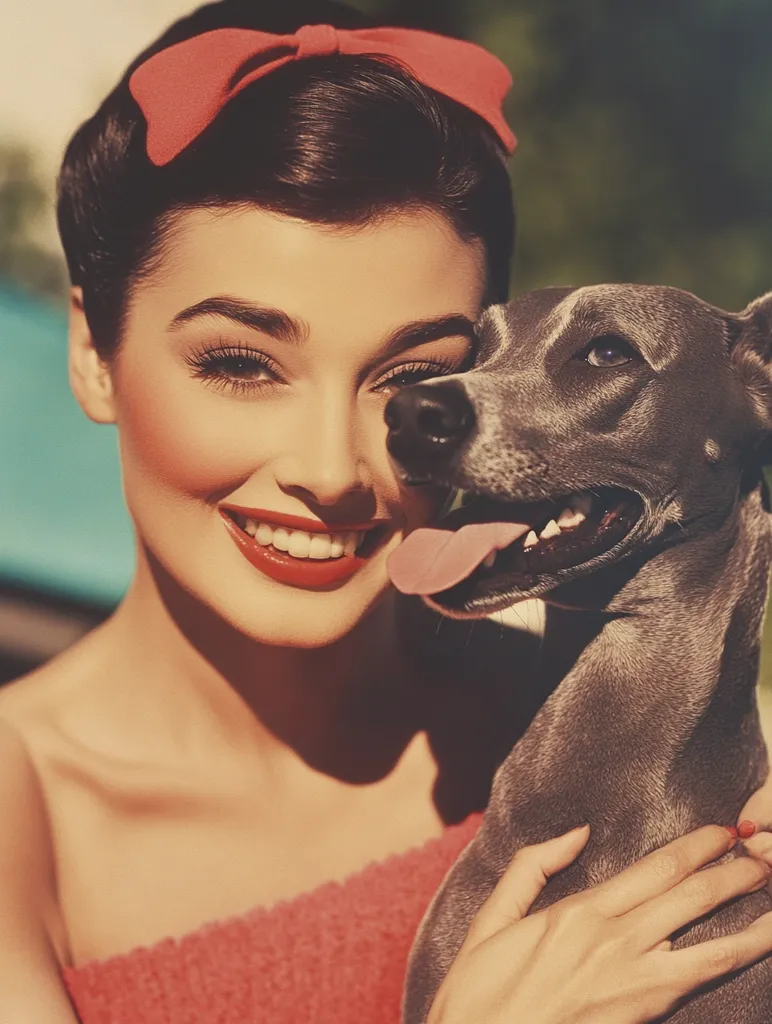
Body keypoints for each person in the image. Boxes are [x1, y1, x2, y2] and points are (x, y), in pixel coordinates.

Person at [1, 1, 771, 1021]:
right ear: (95, 354)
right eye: (240, 364)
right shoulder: (27, 813)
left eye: (412, 383)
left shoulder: (603, 723)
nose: (332, 470)